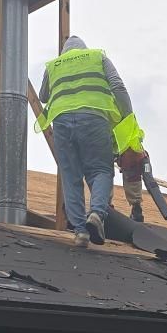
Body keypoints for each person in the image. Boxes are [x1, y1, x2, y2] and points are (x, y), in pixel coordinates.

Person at [36, 36, 133, 246]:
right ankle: (97, 214)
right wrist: (128, 118)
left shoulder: (54, 65)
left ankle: (80, 232)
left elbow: (43, 96)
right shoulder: (97, 57)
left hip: (61, 123)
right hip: (94, 119)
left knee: (70, 176)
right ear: (83, 48)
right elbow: (118, 86)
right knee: (101, 170)